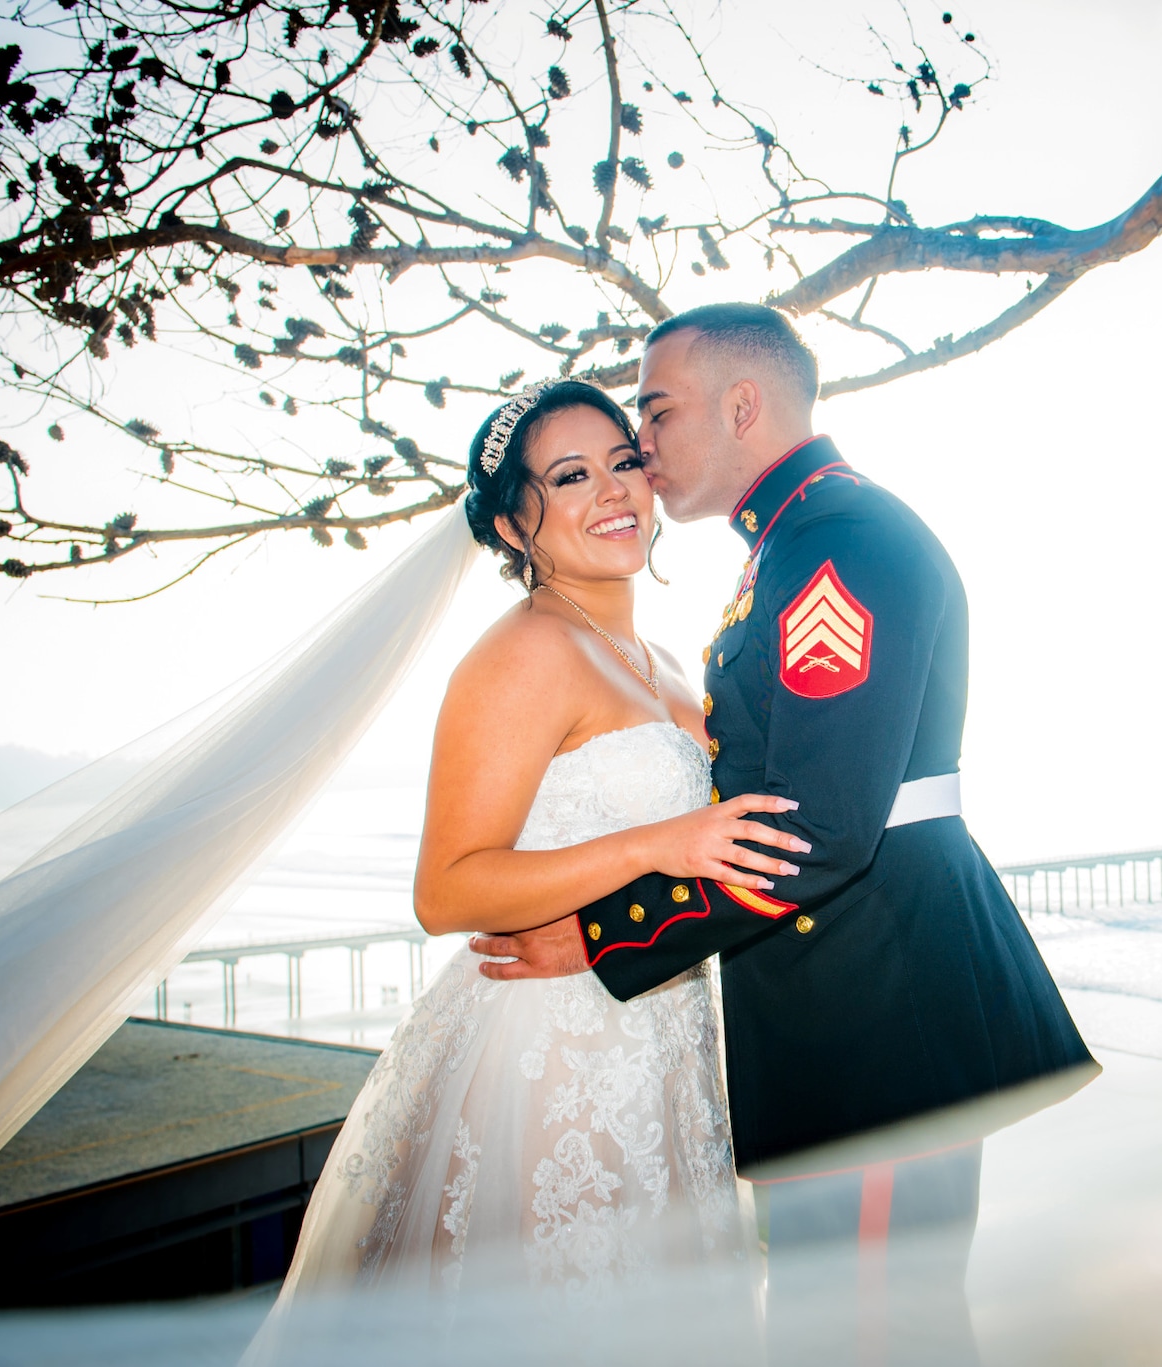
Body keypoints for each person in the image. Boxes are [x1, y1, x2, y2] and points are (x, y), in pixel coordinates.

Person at [467, 304, 1097, 1361]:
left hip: (873, 1006)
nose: (642, 449)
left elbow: (816, 832)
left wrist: (601, 936)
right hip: (847, 995)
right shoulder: (797, 538)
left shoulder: (835, 541)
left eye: (656, 414)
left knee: (871, 1331)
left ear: (743, 403)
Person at [255, 379, 803, 1318]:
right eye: (571, 476)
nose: (615, 492)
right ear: (514, 526)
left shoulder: (664, 663)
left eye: (625, 461)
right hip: (553, 1048)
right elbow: (448, 889)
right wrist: (664, 840)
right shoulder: (525, 652)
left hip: (666, 1035)